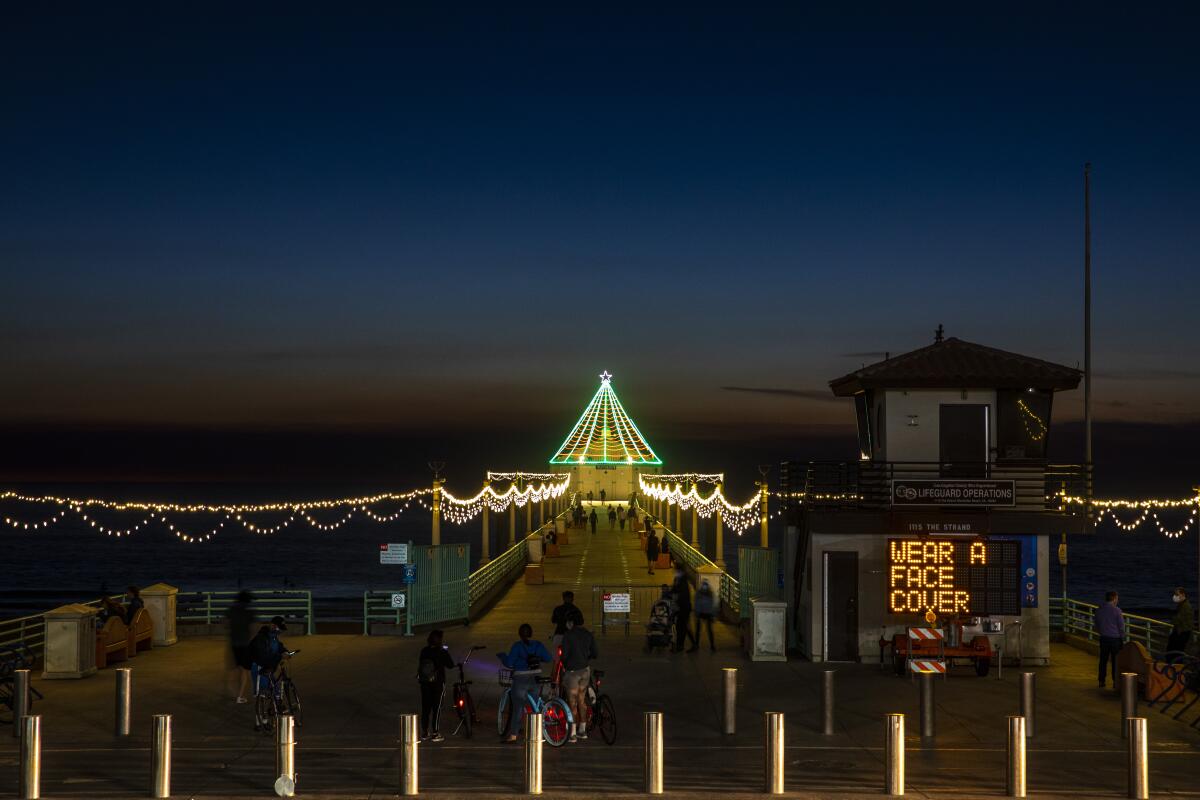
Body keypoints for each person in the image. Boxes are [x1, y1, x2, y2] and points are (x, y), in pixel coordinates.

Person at [497, 624, 553, 742]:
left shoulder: (517, 646)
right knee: (534, 706)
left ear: (520, 634)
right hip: (536, 678)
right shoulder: (538, 645)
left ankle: (513, 735)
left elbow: (509, 663)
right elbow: (548, 658)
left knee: (518, 707)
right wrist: (538, 658)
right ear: (531, 633)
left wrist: (502, 656)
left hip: (520, 679)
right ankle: (537, 733)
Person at [559, 616, 598, 742]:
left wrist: (566, 665)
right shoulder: (588, 634)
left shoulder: (568, 635)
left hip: (572, 672)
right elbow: (595, 653)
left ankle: (573, 733)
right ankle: (583, 730)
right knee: (581, 700)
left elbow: (564, 655)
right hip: (585, 671)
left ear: (571, 623)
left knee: (572, 702)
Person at [417, 629, 456, 741]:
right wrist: (445, 651)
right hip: (438, 683)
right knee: (437, 708)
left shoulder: (424, 651)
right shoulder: (442, 652)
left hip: (425, 683)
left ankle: (424, 732)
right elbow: (450, 665)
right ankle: (435, 732)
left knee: (426, 708)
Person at [248, 616, 290, 696]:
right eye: (279, 628)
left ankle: (275, 705)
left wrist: (285, 651)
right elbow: (263, 656)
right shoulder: (262, 637)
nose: (280, 631)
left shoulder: (273, 636)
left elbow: (278, 646)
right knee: (268, 692)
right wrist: (280, 656)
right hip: (260, 668)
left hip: (267, 668)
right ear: (272, 625)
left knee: (276, 694)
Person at [225, 591, 255, 703]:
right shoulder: (249, 612)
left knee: (234, 667)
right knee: (245, 670)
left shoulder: (231, 610)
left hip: (234, 643)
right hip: (245, 644)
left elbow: (226, 624)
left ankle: (232, 689)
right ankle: (240, 696)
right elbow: (252, 629)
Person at [1095, 591, 1125, 688]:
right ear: (1114, 599)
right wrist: (1122, 636)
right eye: (1117, 598)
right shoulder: (1117, 611)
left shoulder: (1099, 610)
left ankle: (1101, 681)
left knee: (1103, 660)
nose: (1118, 600)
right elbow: (1121, 626)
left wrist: (1101, 632)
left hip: (1103, 638)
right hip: (1115, 639)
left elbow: (1097, 624)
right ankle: (1115, 682)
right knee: (1115, 662)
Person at [671, 567, 697, 653]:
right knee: (682, 626)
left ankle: (685, 645)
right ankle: (682, 645)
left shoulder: (682, 581)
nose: (674, 572)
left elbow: (677, 591)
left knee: (682, 627)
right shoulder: (682, 580)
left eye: (676, 571)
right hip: (684, 607)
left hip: (684, 608)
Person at [1168, 587, 1194, 656]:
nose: (1175, 596)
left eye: (1177, 594)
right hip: (1180, 632)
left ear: (1182, 594)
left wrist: (1173, 619)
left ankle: (1176, 665)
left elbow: (1177, 619)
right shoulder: (1181, 605)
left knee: (1176, 653)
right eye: (1175, 594)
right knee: (1173, 652)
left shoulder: (1186, 606)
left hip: (1182, 633)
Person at [693, 578, 717, 652]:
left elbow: (713, 604)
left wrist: (713, 614)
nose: (704, 586)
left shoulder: (707, 593)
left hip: (707, 613)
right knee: (699, 630)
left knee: (709, 630)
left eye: (705, 585)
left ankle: (712, 645)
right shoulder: (703, 593)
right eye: (704, 584)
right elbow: (696, 603)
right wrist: (697, 612)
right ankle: (698, 644)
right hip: (702, 613)